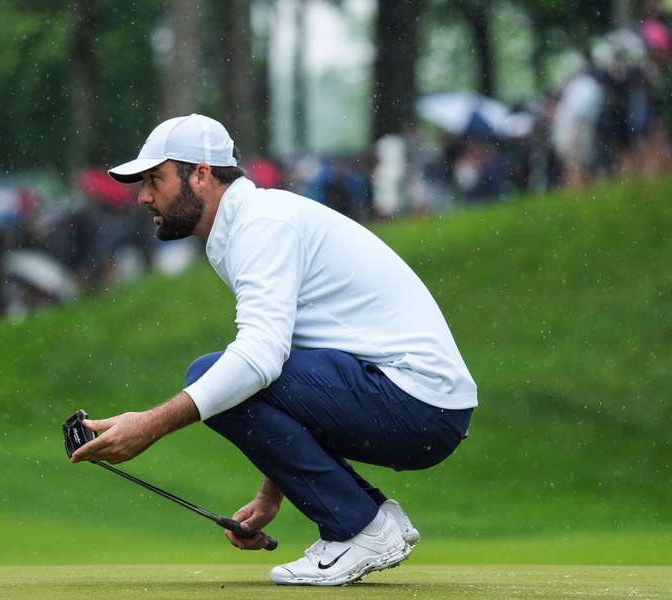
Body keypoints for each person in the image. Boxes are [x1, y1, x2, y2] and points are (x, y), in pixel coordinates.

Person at [70, 114, 477, 586]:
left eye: (155, 179)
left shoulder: (262, 225)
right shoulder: (248, 224)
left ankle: (360, 527)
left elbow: (260, 363)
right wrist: (272, 494)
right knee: (221, 376)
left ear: (201, 174)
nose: (143, 196)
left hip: (418, 403)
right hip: (423, 407)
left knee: (211, 373)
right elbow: (291, 362)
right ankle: (365, 519)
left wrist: (150, 426)